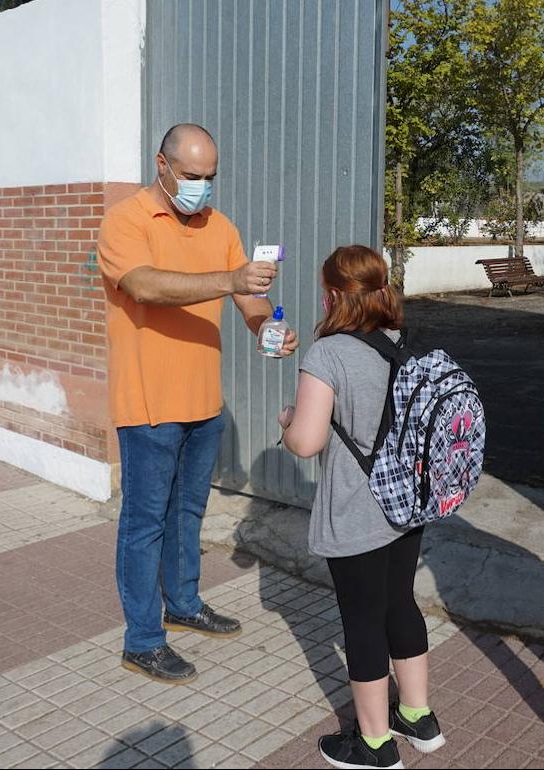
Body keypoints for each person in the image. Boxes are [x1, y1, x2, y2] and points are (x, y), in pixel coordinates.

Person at [97, 123, 298, 684]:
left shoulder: (221, 227)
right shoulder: (127, 220)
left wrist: (267, 329)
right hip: (149, 404)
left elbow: (248, 296)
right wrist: (230, 277)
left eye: (210, 177)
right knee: (145, 523)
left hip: (203, 402)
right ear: (161, 165)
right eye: (191, 176)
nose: (202, 188)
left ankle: (183, 606)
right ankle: (142, 640)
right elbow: (145, 286)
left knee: (188, 514)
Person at [277, 245, 444, 770]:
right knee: (400, 604)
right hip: (407, 507)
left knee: (363, 622)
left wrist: (287, 420)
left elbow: (306, 441)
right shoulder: (401, 342)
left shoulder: (328, 354)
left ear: (330, 295)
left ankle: (373, 745)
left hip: (357, 511)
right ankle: (419, 718)